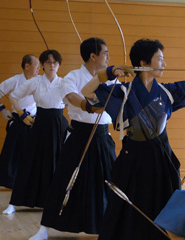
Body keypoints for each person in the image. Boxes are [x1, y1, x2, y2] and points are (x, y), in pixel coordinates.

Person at [81, 38, 185, 240]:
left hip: (161, 161)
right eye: (159, 59)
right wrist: (107, 73)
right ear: (143, 63)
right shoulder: (123, 92)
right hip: (132, 160)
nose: (164, 64)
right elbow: (86, 91)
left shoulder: (167, 92)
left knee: (166, 208)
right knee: (125, 210)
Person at [29, 38, 117, 240]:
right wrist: (91, 106)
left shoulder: (111, 78)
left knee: (112, 183)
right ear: (93, 56)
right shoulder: (72, 77)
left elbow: (120, 98)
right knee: (63, 180)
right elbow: (71, 97)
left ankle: (114, 227)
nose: (108, 57)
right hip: (80, 136)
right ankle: (44, 229)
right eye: (105, 53)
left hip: (102, 136)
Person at [3, 49, 68, 215]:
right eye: (48, 62)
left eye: (55, 62)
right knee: (29, 160)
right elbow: (13, 96)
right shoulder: (35, 82)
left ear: (59, 65)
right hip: (40, 122)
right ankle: (14, 202)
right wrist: (21, 113)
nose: (52, 65)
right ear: (43, 65)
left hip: (57, 123)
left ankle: (53, 202)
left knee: (55, 162)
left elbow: (73, 101)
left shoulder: (64, 82)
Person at [0, 54, 39, 193]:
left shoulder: (39, 81)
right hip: (18, 119)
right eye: (36, 65)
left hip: (35, 120)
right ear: (27, 66)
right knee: (10, 152)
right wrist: (2, 109)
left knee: (31, 153)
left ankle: (26, 183)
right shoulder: (15, 80)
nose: (38, 69)